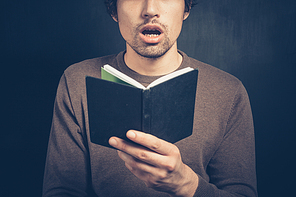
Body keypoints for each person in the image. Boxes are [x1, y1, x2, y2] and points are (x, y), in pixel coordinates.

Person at [42, 0, 258, 196]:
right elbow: (61, 190)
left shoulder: (229, 92)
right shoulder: (77, 80)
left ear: (186, 7)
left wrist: (187, 185)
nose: (150, 10)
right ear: (114, 10)